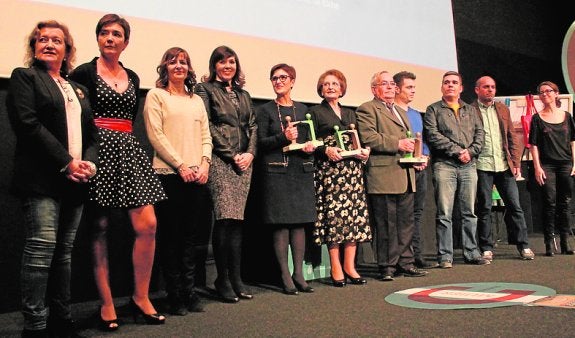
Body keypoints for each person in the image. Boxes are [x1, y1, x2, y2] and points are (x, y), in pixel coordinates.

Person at [69, 14, 166, 329]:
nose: (110, 38)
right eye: (104, 33)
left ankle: (140, 297)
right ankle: (107, 304)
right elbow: (78, 117)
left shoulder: (134, 77)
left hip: (127, 150)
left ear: (126, 41)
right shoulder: (83, 72)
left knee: (148, 224)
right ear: (98, 38)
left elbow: (130, 117)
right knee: (98, 227)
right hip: (97, 149)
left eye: (116, 34)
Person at [7, 20, 99, 337]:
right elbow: (28, 125)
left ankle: (61, 318)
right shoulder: (26, 78)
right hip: (41, 179)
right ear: (34, 47)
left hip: (75, 181)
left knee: (64, 253)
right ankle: (35, 325)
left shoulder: (79, 89)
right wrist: (66, 163)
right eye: (42, 39)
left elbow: (92, 134)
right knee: (41, 250)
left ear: (67, 49)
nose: (49, 44)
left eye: (56, 40)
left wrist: (88, 163)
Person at [143, 47, 213, 315]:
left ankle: (189, 292)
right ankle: (173, 295)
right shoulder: (156, 96)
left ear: (189, 69)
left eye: (183, 62)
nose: (179, 66)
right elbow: (156, 136)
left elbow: (206, 135)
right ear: (165, 68)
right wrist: (181, 165)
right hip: (169, 175)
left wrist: (205, 163)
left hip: (197, 177)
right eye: (173, 62)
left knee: (190, 239)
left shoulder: (196, 100)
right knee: (170, 238)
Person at [194, 46, 257, 303]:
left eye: (231, 61)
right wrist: (232, 155)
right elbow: (206, 125)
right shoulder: (205, 90)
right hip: (222, 162)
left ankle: (236, 278)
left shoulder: (244, 93)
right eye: (221, 62)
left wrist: (250, 154)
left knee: (237, 221)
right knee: (224, 219)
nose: (227, 66)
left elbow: (252, 125)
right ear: (214, 66)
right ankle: (222, 279)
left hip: (246, 161)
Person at [356, 70, 427, 281]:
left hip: (405, 174)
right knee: (387, 224)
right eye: (384, 84)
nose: (390, 87)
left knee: (406, 223)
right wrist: (397, 144)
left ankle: (405, 262)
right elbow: (369, 137)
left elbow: (409, 141)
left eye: (391, 84)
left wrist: (417, 158)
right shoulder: (367, 109)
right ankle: (387, 266)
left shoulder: (400, 111)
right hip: (384, 175)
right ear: (374, 89)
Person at [255, 63, 317, 294]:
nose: (278, 81)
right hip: (276, 172)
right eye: (274, 78)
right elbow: (260, 143)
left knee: (299, 223)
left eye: (283, 77)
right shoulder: (265, 111)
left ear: (292, 81)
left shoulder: (303, 110)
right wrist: (283, 137)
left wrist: (311, 147)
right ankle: (284, 274)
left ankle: (298, 273)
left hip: (300, 171)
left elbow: (310, 139)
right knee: (281, 224)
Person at [309, 69, 371, 287]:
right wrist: (325, 150)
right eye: (326, 84)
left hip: (352, 172)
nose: (330, 87)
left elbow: (359, 141)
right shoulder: (315, 112)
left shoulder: (351, 114)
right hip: (330, 171)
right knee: (334, 219)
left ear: (342, 88)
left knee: (353, 218)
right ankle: (336, 266)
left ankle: (350, 266)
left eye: (335, 83)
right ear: (321, 89)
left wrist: (364, 152)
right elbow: (311, 142)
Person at [424, 71, 488, 268]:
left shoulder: (471, 110)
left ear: (461, 88)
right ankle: (445, 256)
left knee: (469, 212)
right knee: (445, 213)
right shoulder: (433, 109)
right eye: (446, 82)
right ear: (442, 87)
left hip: (469, 165)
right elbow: (433, 135)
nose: (450, 85)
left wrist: (470, 152)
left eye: (454, 83)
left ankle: (471, 252)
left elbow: (480, 134)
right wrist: (458, 151)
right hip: (445, 165)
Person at [472, 76, 535, 261]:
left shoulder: (502, 108)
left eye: (492, 87)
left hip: (503, 164)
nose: (490, 90)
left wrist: (516, 163)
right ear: (477, 90)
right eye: (486, 87)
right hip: (482, 165)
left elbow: (511, 137)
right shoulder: (470, 110)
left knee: (515, 206)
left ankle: (523, 246)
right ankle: (486, 247)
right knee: (484, 207)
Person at [393, 71, 437, 269]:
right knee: (404, 214)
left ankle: (417, 254)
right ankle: (404, 256)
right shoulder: (391, 111)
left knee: (417, 213)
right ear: (397, 88)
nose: (413, 91)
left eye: (414, 88)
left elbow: (423, 140)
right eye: (409, 87)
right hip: (402, 169)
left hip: (420, 169)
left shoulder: (416, 114)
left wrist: (425, 156)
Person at [529, 81, 575, 256]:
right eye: (541, 92)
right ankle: (549, 242)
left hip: (565, 164)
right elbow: (533, 145)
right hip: (547, 165)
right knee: (549, 202)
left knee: (566, 203)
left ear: (556, 94)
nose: (545, 94)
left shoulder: (567, 116)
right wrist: (537, 167)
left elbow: (573, 141)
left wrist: (574, 163)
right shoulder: (537, 118)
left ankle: (565, 241)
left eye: (548, 91)